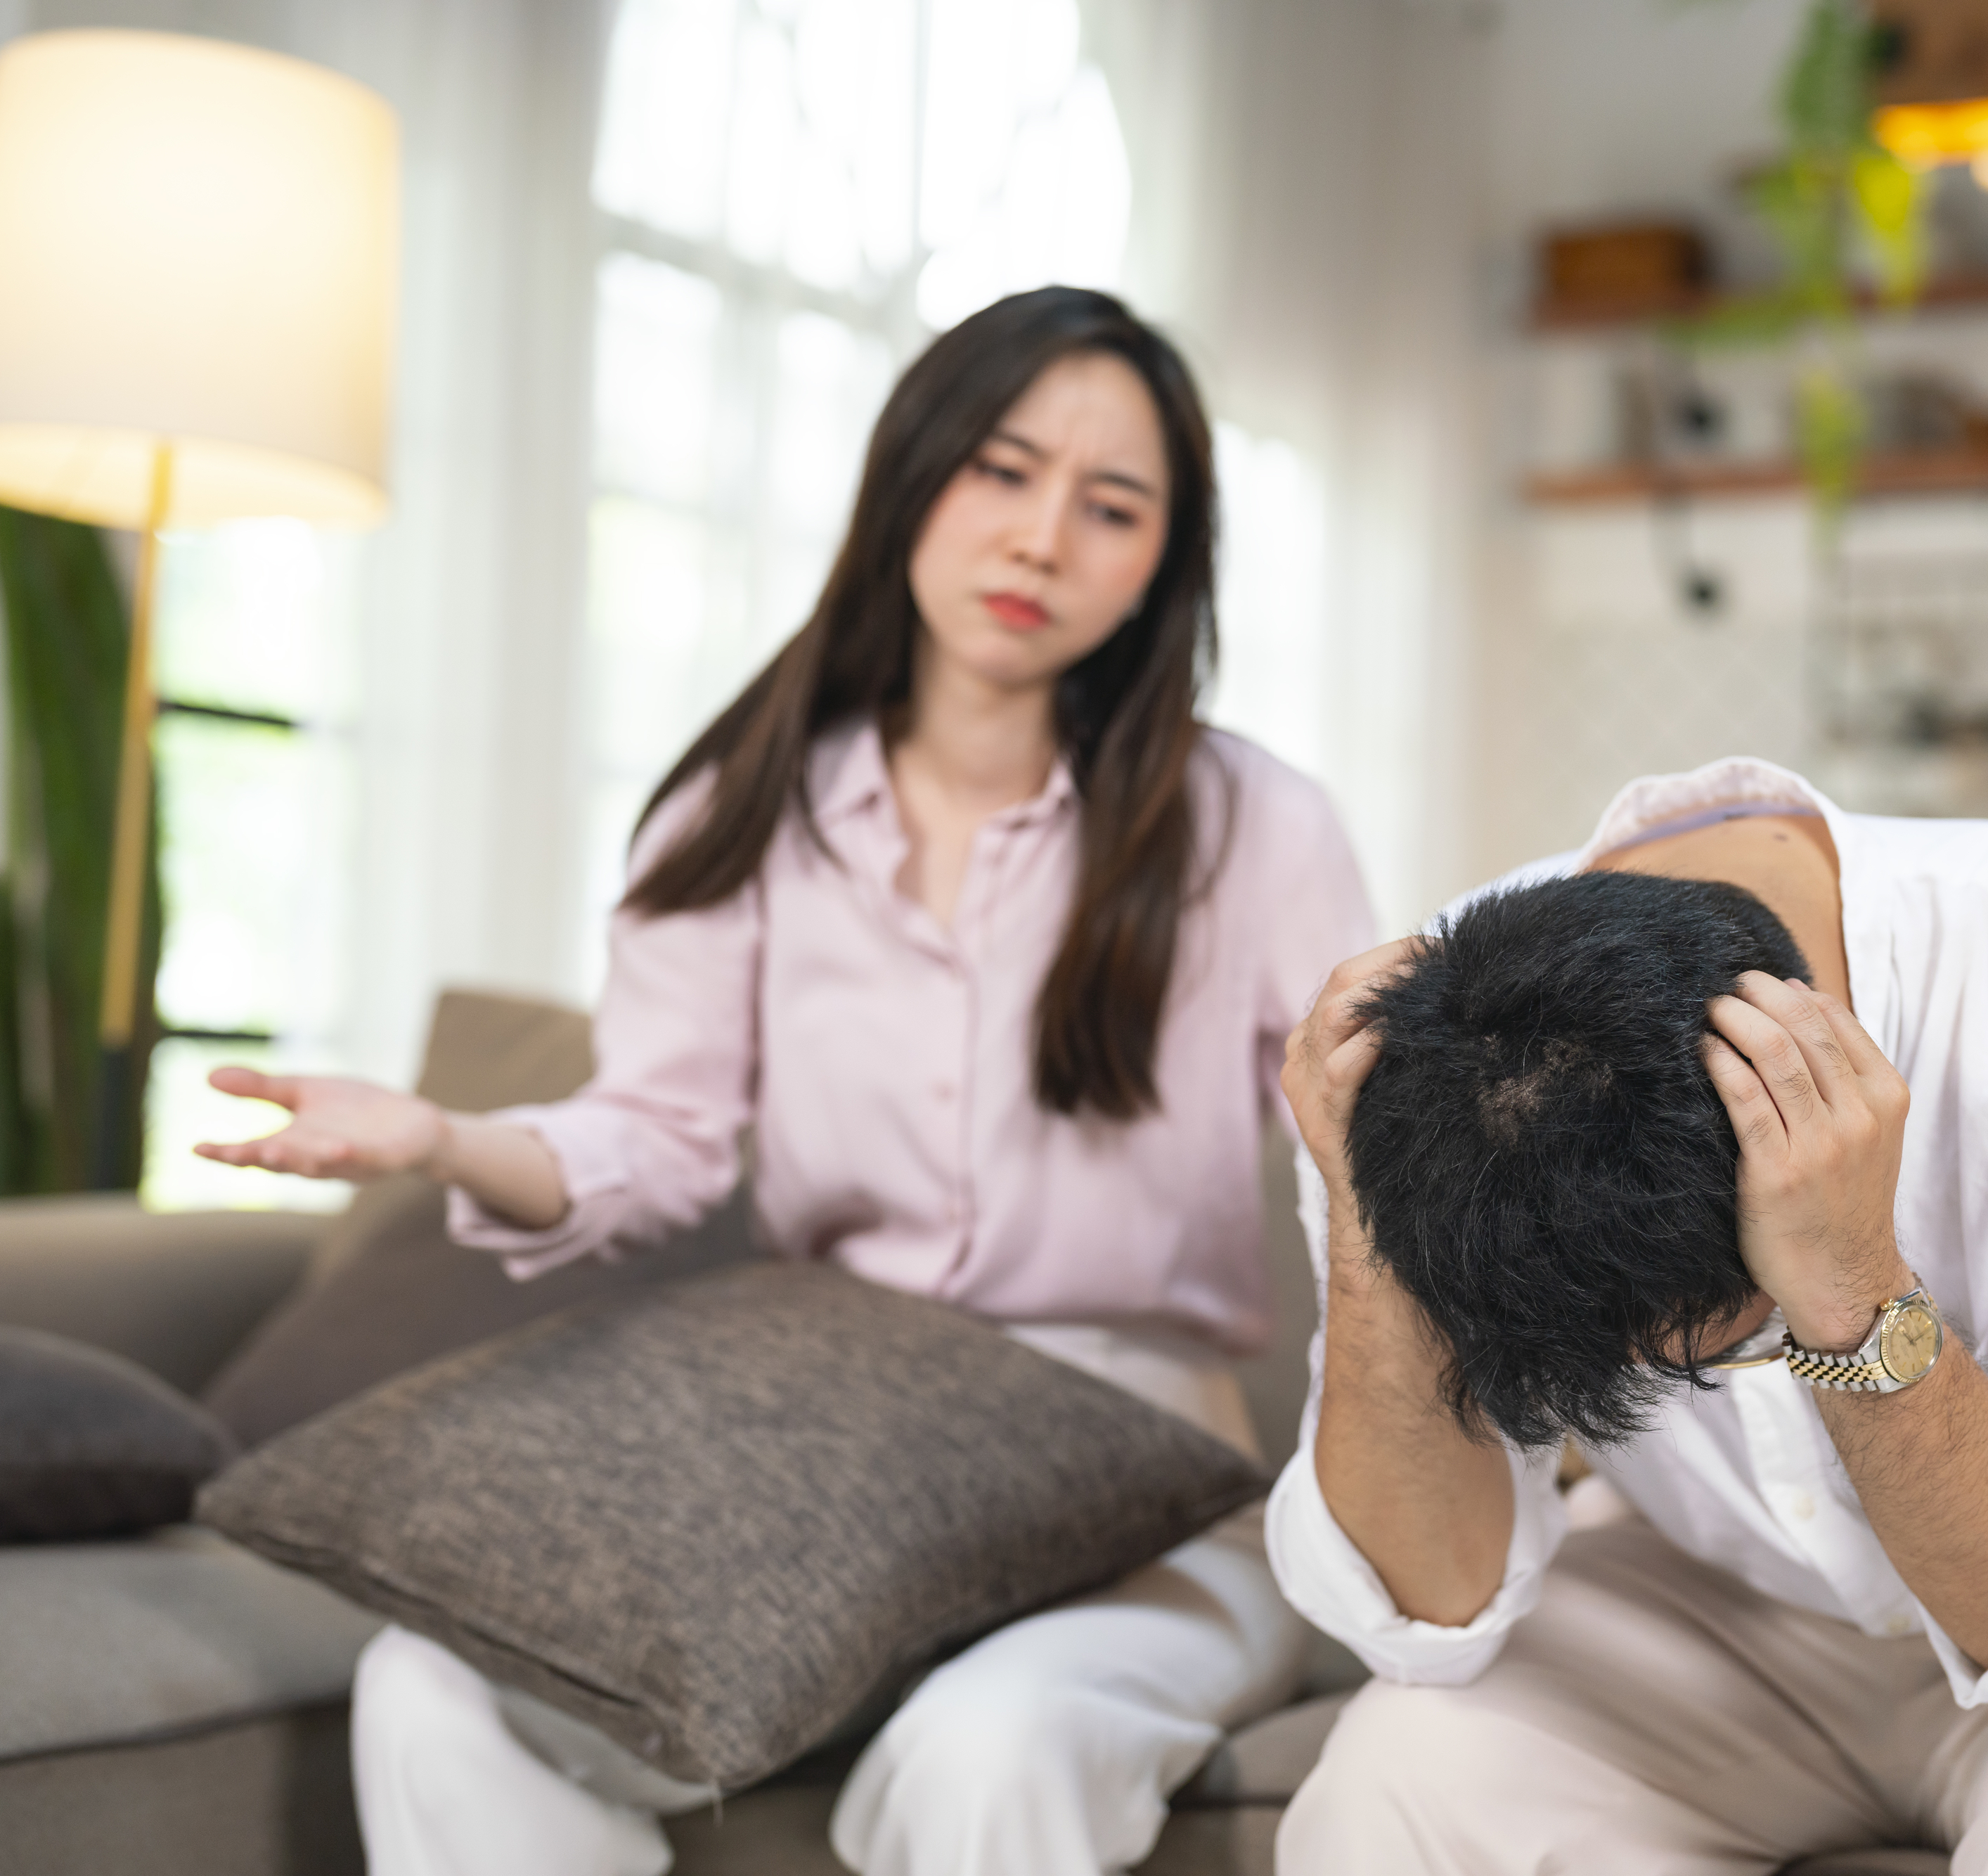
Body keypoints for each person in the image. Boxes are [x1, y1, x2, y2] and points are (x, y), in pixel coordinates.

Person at [197, 287, 1374, 1876]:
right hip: (834, 1467)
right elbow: (659, 1138)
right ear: (913, 478)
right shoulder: (741, 811)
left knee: (990, 1746)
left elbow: (1380, 1142)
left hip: (1148, 1486)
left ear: (1164, 559)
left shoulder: (1253, 828)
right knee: (435, 1681)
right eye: (1000, 473)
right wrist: (445, 1136)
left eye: (1111, 508)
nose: (1040, 539)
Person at [1268, 756, 1988, 1875]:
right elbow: (1424, 1615)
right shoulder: (1428, 1065)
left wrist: (1846, 1282)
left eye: (1729, 1347)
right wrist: (1371, 1225)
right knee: (1390, 1792)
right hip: (1729, 1604)